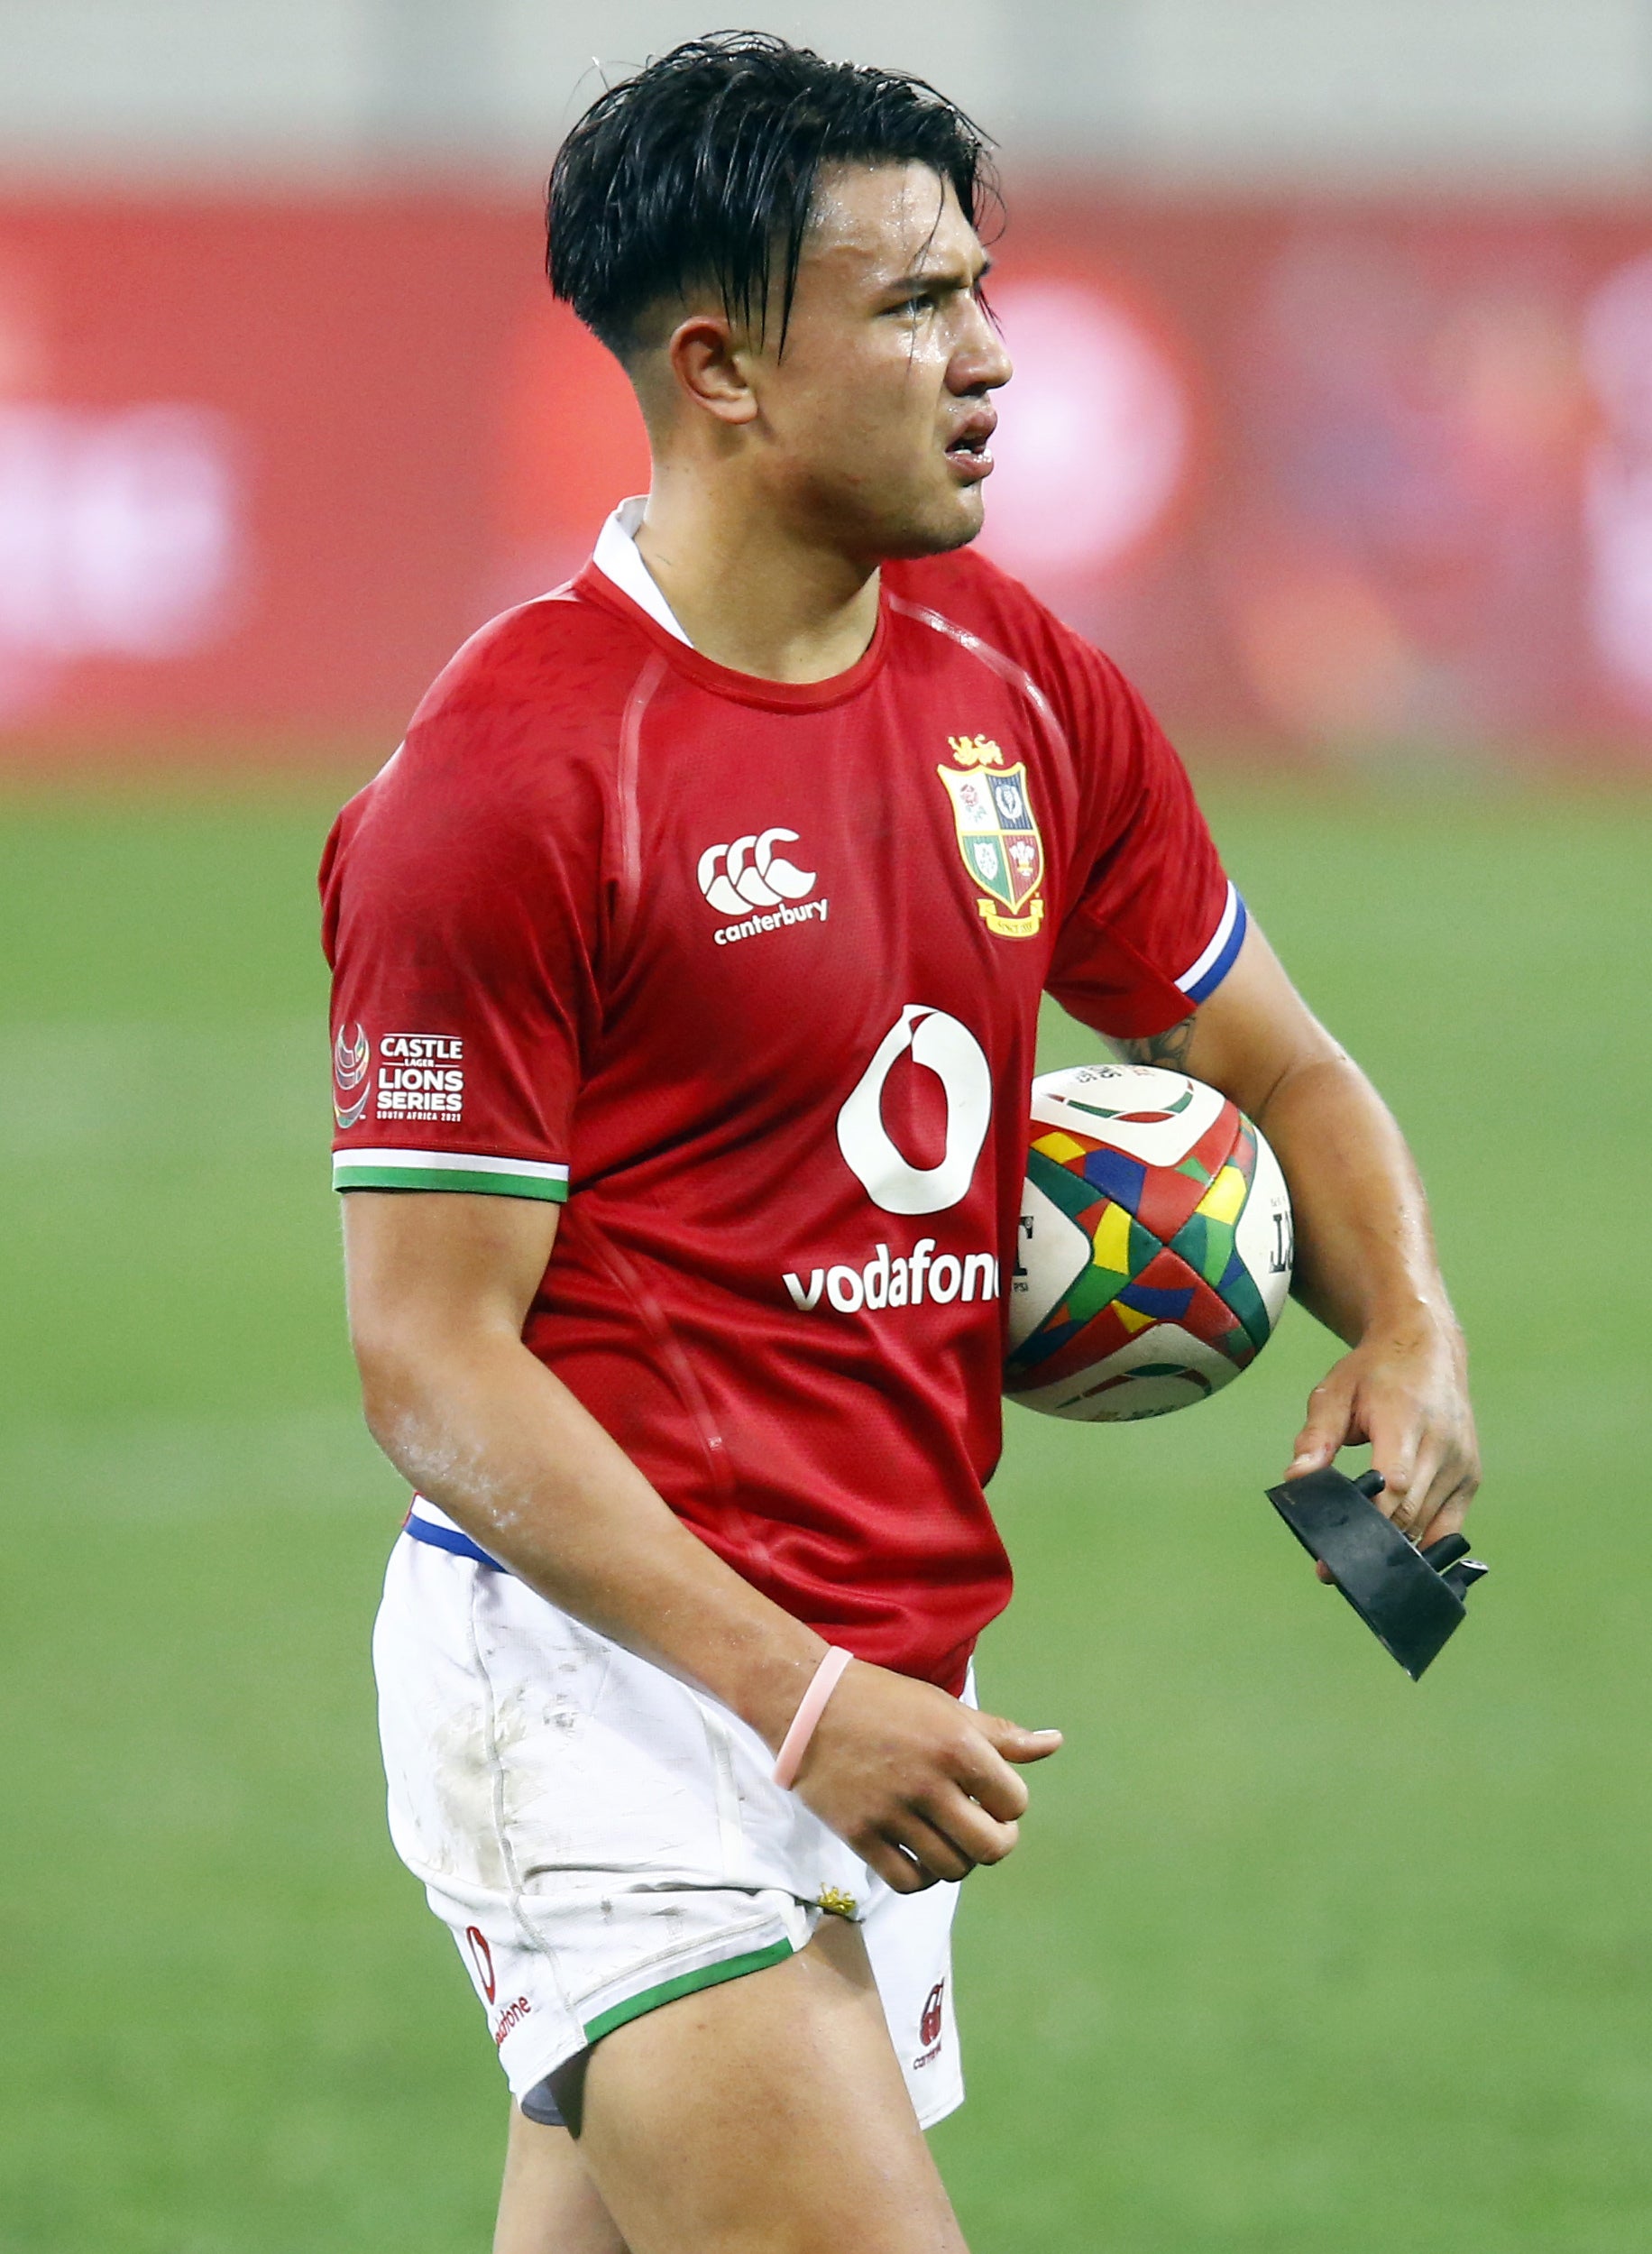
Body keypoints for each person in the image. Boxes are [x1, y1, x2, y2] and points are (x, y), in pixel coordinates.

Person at [321, 33, 1479, 2254]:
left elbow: (1285, 1064)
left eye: (980, 290)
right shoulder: (510, 778)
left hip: (875, 1671)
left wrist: (1405, 1320)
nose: (992, 354)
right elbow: (429, 1360)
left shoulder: (1016, 681)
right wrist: (797, 1695)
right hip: (618, 1692)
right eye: (915, 304)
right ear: (719, 365)